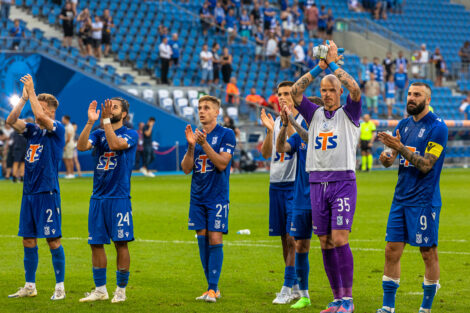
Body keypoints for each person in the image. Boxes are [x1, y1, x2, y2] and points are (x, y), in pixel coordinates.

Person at [291, 40, 362, 313]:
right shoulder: (314, 113)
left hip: (342, 182)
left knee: (341, 238)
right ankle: (337, 298)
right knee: (325, 241)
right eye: (324, 89)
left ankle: (349, 299)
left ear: (339, 91)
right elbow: (297, 92)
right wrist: (317, 68)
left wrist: (333, 65)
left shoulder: (350, 112)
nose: (328, 93)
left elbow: (355, 89)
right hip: (316, 182)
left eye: (332, 90)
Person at [376, 82, 448, 313]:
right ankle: (388, 307)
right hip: (401, 198)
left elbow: (426, 165)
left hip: (424, 200)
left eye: (417, 95)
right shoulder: (404, 124)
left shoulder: (438, 127)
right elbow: (391, 155)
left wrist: (400, 148)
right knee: (391, 250)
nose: (411, 98)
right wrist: (386, 157)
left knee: (427, 252)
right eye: (409, 94)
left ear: (427, 99)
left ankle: (425, 308)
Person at [6, 75, 66, 300]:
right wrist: (23, 99)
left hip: (47, 192)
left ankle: (59, 286)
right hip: (29, 193)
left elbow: (39, 115)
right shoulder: (32, 131)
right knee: (28, 239)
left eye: (40, 106)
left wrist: (32, 90)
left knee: (53, 240)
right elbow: (11, 120)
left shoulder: (57, 129)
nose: (35, 110)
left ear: (51, 111)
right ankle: (30, 286)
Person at [77, 97, 138, 303]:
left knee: (120, 243)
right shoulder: (98, 133)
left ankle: (121, 291)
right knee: (96, 244)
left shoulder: (131, 134)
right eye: (109, 107)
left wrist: (104, 122)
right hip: (98, 197)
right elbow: (82, 146)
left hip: (119, 197)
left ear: (124, 114)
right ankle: (101, 290)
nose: (111, 110)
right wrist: (90, 122)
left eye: (115, 108)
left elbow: (115, 143)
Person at [181, 95, 236, 303]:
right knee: (202, 240)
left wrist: (204, 145)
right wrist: (192, 146)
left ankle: (213, 289)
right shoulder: (196, 136)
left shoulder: (227, 134)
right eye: (199, 107)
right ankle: (211, 288)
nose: (202, 111)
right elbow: (186, 169)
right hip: (197, 197)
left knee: (215, 238)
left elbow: (222, 163)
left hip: (217, 197)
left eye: (206, 108)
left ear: (216, 112)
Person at [260, 81, 306, 304]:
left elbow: (292, 143)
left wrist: (288, 121)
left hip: (294, 184)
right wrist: (270, 130)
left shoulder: (303, 121)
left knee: (292, 237)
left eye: (287, 93)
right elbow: (266, 152)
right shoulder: (276, 120)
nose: (283, 97)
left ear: (296, 95)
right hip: (275, 183)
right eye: (280, 94)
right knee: (282, 237)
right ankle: (294, 284)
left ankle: (287, 286)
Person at [275, 103, 313, 309]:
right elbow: (281, 148)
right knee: (300, 245)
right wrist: (283, 125)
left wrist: (291, 122)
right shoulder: (299, 137)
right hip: (301, 197)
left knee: (330, 243)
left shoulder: (325, 135)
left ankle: (341, 294)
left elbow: (310, 137)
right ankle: (304, 295)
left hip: (323, 196)